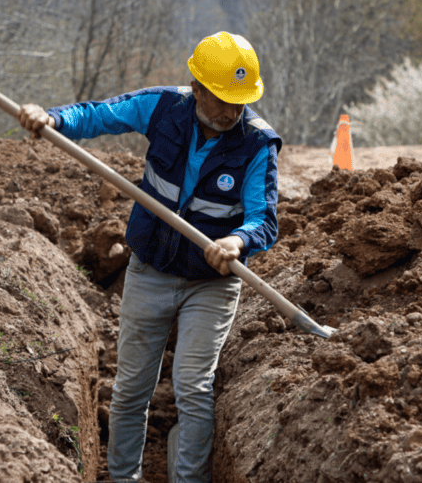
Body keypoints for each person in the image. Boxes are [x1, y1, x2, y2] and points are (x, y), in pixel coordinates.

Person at [18, 31, 281, 483]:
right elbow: (99, 115)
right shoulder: (163, 107)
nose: (231, 111)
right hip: (150, 271)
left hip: (211, 282)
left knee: (193, 387)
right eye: (222, 99)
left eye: (240, 101)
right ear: (197, 88)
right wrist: (53, 118)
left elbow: (264, 219)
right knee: (130, 390)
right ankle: (124, 477)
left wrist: (238, 242)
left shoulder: (257, 144)